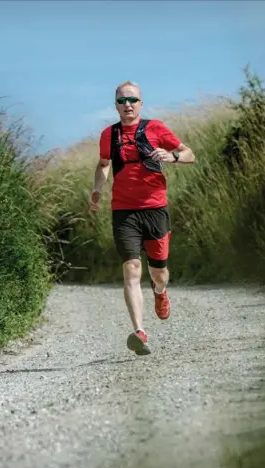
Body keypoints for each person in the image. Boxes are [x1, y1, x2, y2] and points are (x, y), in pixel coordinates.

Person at [88, 81, 196, 356]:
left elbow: (189, 154)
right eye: (122, 101)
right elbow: (103, 165)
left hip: (155, 208)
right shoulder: (107, 135)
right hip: (124, 210)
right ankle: (139, 331)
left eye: (132, 100)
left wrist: (170, 157)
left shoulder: (156, 128)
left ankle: (160, 292)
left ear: (140, 103)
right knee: (132, 268)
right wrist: (97, 189)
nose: (127, 105)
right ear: (115, 105)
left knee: (158, 272)